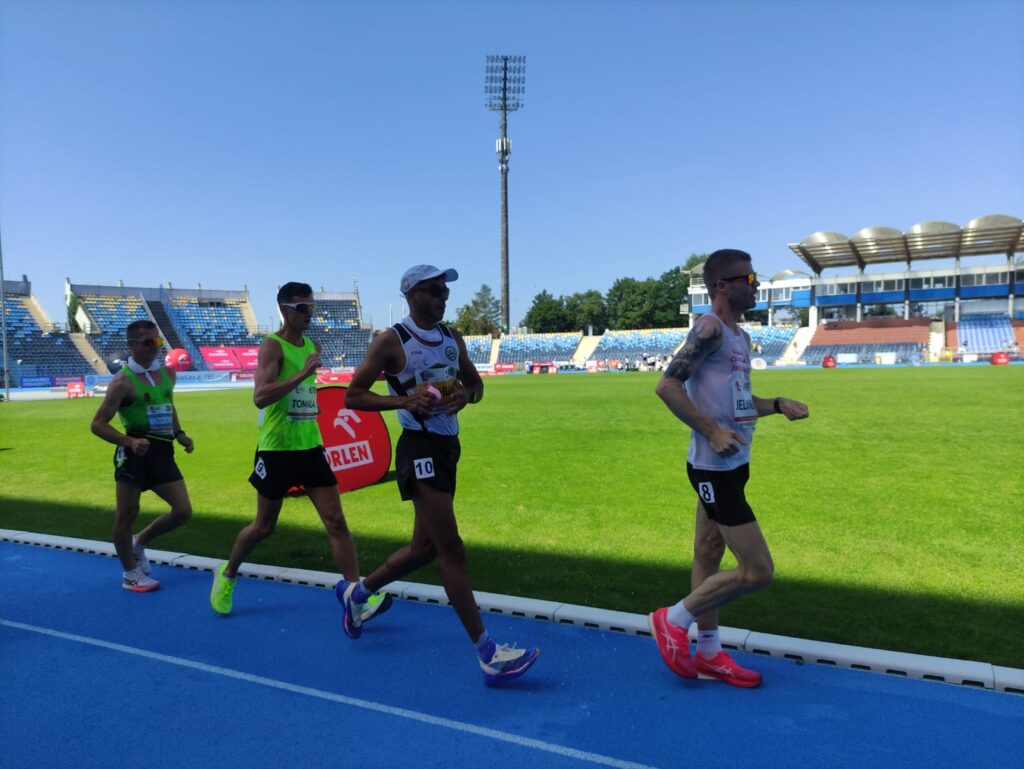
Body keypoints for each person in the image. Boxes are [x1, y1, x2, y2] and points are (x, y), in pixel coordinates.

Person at [342, 265, 539, 685]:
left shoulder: (452, 338)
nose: (442, 297)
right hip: (419, 450)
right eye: (433, 291)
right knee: (452, 549)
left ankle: (359, 594)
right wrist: (404, 402)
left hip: (448, 447)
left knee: (422, 550)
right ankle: (488, 653)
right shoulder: (392, 342)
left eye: (444, 291)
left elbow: (475, 386)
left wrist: (465, 396)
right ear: (411, 295)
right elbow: (352, 395)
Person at [651, 249, 809, 688]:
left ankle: (709, 653)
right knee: (757, 570)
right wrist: (711, 432)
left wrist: (776, 405)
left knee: (707, 553)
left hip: (735, 463)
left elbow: (739, 404)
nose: (756, 286)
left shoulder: (739, 337)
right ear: (722, 286)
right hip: (712, 468)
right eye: (751, 278)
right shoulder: (709, 329)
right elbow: (667, 386)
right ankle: (672, 619)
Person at [209, 282, 390, 625]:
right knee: (264, 526)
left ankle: (356, 596)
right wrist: (303, 374)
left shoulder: (312, 345)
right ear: (285, 309)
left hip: (310, 446)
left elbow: (304, 398)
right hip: (277, 449)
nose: (310, 314)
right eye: (303, 308)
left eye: (312, 307)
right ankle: (228, 574)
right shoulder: (271, 347)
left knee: (336, 522)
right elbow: (260, 397)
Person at [91, 319, 195, 592]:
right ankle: (130, 574)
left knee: (183, 511)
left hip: (162, 452)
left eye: (158, 341)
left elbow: (167, 404)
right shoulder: (123, 382)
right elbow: (98, 423)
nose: (155, 347)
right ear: (132, 346)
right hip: (134, 454)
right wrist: (128, 441)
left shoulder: (168, 374)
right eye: (148, 342)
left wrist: (180, 433)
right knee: (127, 513)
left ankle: (139, 542)